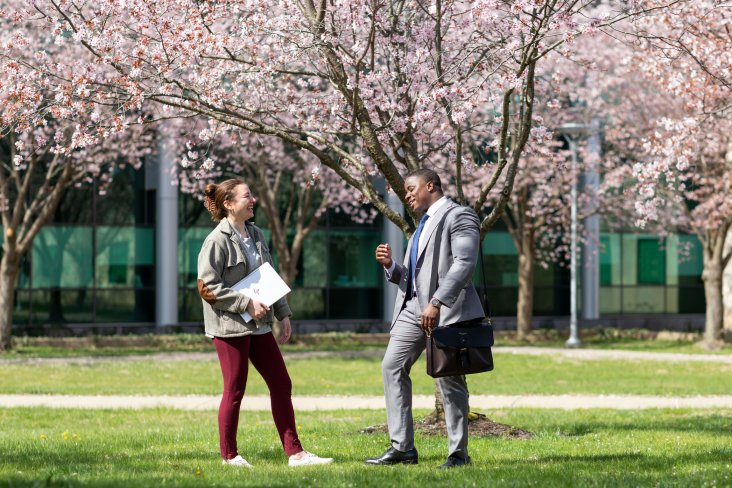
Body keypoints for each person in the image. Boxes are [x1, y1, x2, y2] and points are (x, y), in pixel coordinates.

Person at [197, 178, 333, 468]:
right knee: (235, 390)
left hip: (259, 326)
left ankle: (295, 454)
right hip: (229, 327)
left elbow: (268, 276)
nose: (253, 200)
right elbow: (207, 287)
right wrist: (245, 303)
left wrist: (283, 313)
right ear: (229, 204)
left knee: (281, 383)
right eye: (247, 196)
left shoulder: (256, 233)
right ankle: (229, 456)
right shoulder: (216, 241)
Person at [367, 169, 484, 468]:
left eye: (410, 188)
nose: (406, 195)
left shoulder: (460, 216)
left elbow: (465, 263)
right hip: (411, 310)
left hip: (445, 311)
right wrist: (391, 266)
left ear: (430, 185)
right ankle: (402, 448)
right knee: (391, 366)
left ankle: (458, 454)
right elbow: (413, 278)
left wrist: (437, 302)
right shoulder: (421, 225)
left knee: (449, 379)